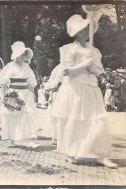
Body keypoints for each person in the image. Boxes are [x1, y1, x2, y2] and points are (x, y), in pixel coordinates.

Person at [51, 14, 117, 168]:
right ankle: (71, 151)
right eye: (81, 31)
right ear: (75, 33)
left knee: (98, 120)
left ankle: (102, 154)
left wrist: (93, 66)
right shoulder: (70, 49)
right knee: (75, 120)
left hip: (91, 89)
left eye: (87, 30)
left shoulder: (94, 50)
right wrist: (84, 64)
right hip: (75, 89)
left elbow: (98, 71)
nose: (85, 33)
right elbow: (67, 71)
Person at [0, 41, 39, 148]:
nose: (22, 56)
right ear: (16, 55)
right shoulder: (10, 66)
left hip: (26, 94)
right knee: (13, 115)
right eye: (21, 54)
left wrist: (34, 95)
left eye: (24, 54)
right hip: (13, 94)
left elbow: (31, 82)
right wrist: (3, 96)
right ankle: (12, 139)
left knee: (28, 114)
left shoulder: (26, 66)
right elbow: (3, 82)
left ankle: (29, 140)